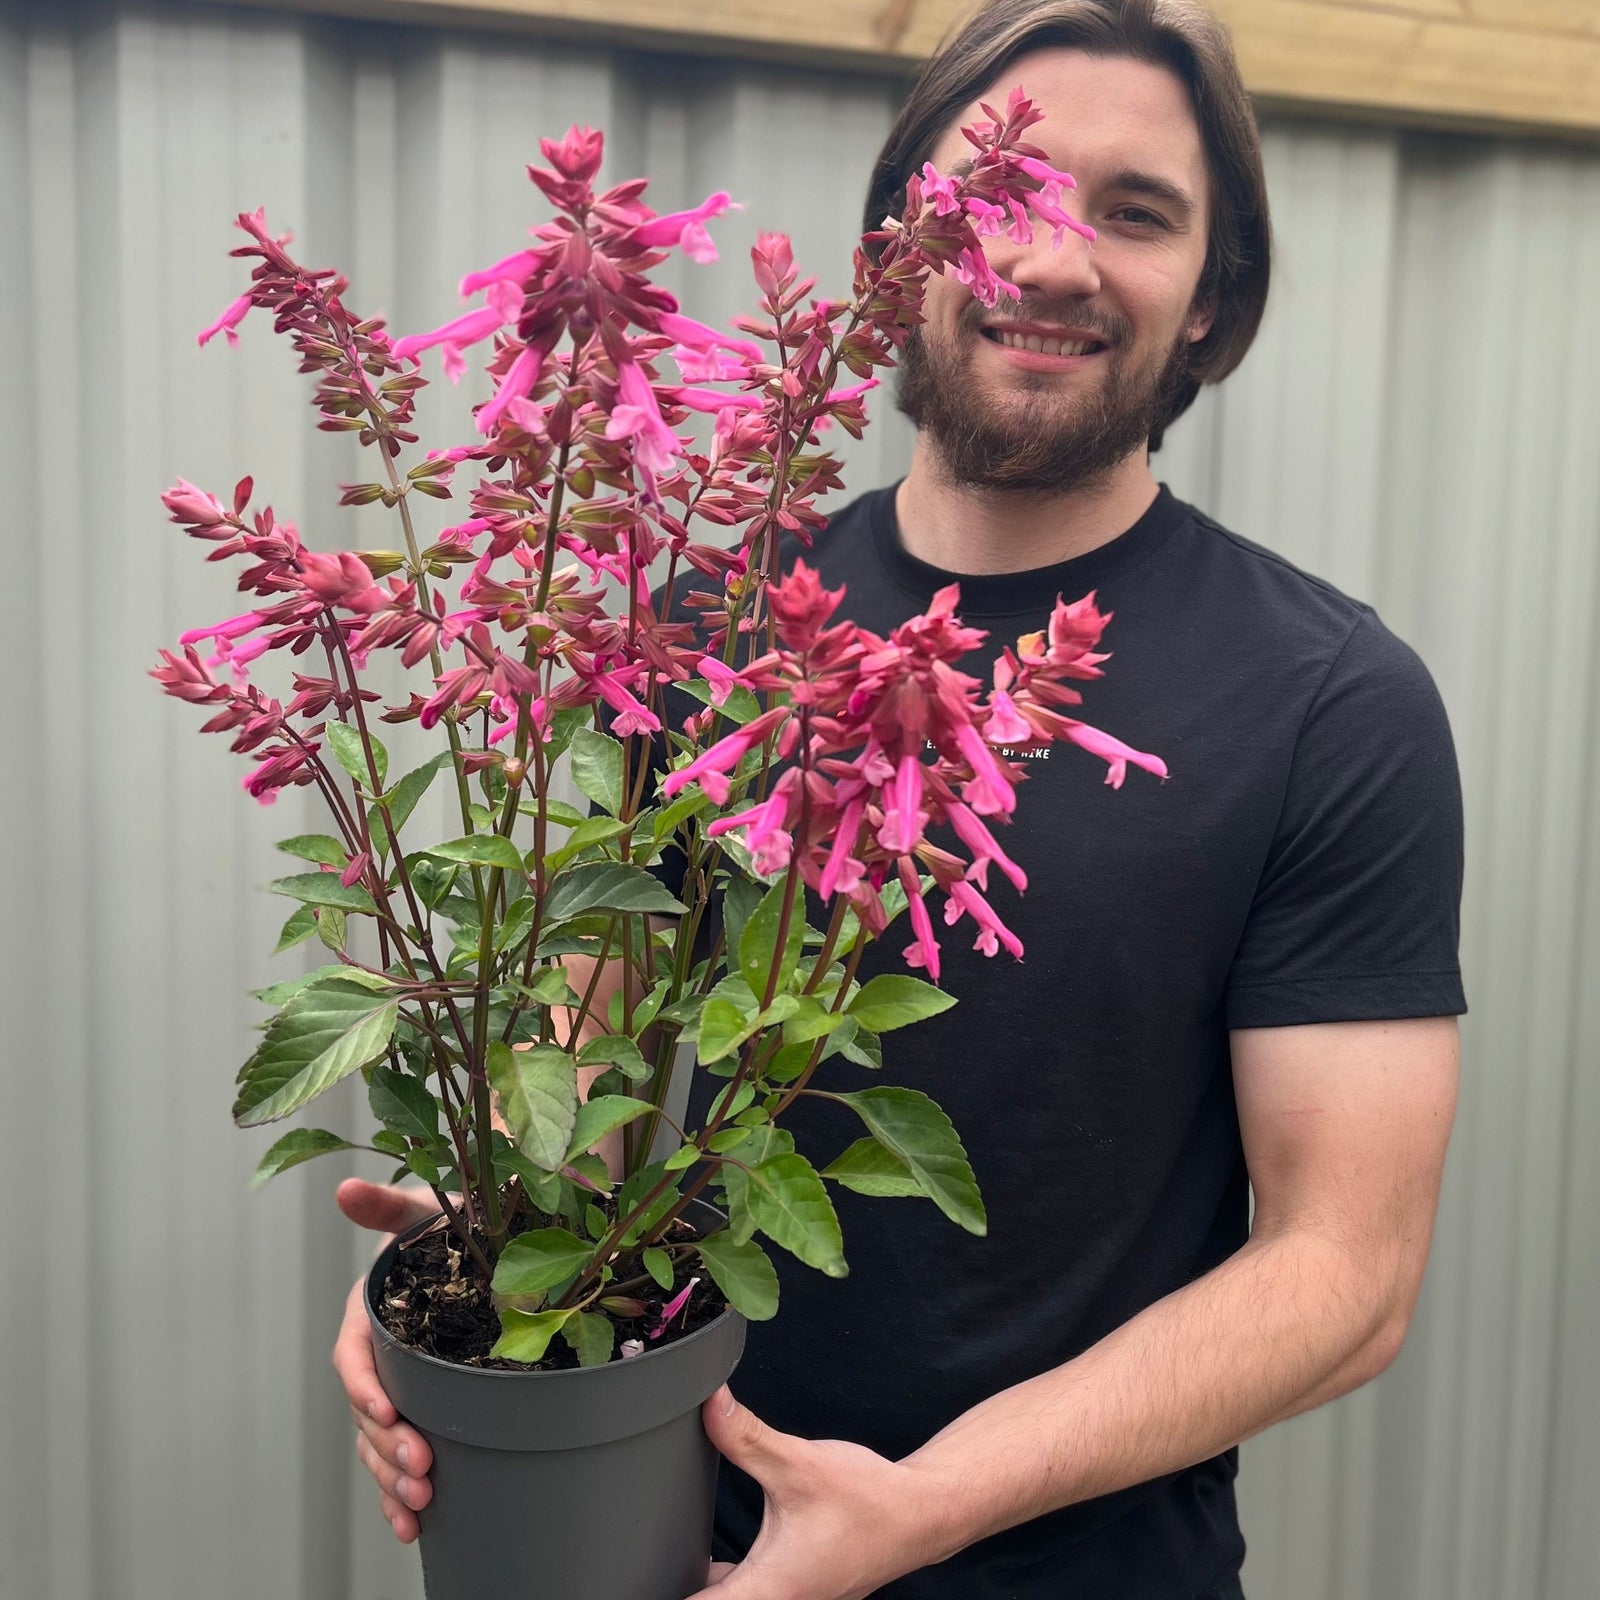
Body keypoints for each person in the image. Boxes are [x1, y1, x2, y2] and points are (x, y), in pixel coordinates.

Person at [333, 2, 1465, 1596]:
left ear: (1214, 304)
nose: (1056, 261)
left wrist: (913, 1515)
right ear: (897, 254)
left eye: (1139, 214)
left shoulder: (1333, 700)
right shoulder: (706, 620)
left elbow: (1347, 1272)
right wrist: (467, 1249)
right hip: (671, 1548)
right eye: (1003, 199)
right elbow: (576, 1056)